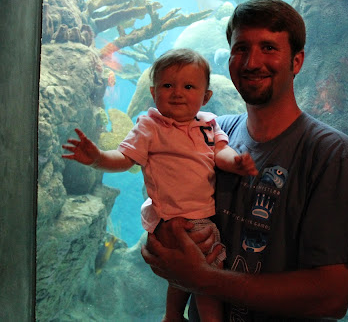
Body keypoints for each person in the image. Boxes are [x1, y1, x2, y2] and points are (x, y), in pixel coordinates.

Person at [142, 0, 348, 321]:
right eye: (241, 49)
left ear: (297, 61)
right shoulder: (212, 133)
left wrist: (203, 278)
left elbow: (332, 297)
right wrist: (163, 239)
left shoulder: (332, 156)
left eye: (268, 48)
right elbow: (162, 218)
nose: (252, 62)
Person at [62, 48, 258, 322]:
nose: (177, 93)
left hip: (201, 216)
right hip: (171, 217)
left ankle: (173, 315)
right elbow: (125, 158)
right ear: (154, 94)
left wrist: (236, 162)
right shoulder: (150, 126)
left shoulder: (209, 124)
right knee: (207, 273)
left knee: (185, 274)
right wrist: (98, 159)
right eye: (167, 86)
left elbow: (220, 152)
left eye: (188, 87)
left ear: (205, 97)